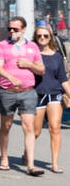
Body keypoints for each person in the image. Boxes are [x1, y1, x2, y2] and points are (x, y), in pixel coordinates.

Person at [0, 16, 46, 176]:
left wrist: (29, 64)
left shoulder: (32, 47)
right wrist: (11, 78)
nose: (12, 31)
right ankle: (4, 157)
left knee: (29, 126)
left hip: (28, 91)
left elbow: (41, 69)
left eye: (15, 29)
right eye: (9, 28)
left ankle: (30, 165)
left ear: (24, 29)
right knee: (6, 125)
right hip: (7, 91)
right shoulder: (2, 45)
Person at [32, 26, 69, 174]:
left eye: (45, 36)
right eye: (39, 36)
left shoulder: (57, 56)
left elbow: (63, 80)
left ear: (50, 38)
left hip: (55, 94)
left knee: (55, 128)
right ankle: (28, 153)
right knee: (35, 131)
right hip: (37, 95)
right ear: (35, 38)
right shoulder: (32, 55)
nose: (42, 38)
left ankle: (54, 163)